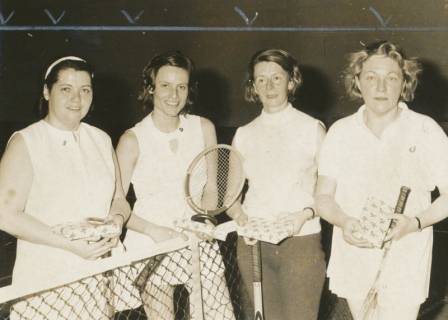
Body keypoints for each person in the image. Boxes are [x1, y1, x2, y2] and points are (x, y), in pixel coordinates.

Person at [316, 41, 448, 320]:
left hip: (407, 255)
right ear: (358, 82)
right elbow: (323, 197)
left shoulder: (425, 129)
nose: (381, 87)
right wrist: (344, 222)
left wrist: (415, 223)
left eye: (392, 78)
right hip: (354, 254)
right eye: (371, 77)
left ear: (404, 84)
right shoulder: (340, 132)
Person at [0, 56, 130, 319]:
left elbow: (119, 199)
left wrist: (116, 221)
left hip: (97, 274)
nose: (76, 99)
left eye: (85, 90)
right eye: (66, 89)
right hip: (47, 280)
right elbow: (5, 214)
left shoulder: (101, 139)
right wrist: (70, 245)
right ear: (47, 92)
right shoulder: (27, 142)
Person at [115, 51, 235, 320]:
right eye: (165, 85)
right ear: (150, 88)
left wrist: (204, 219)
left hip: (198, 239)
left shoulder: (204, 128)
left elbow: (213, 188)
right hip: (151, 243)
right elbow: (116, 205)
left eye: (181, 86)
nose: (173, 95)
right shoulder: (131, 139)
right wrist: (154, 231)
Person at [227, 49, 326, 320]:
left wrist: (303, 214)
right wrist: (241, 218)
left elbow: (329, 192)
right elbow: (231, 197)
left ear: (291, 81)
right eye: (261, 79)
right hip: (253, 245)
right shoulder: (244, 134)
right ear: (253, 86)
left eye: (276, 78)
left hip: (301, 241)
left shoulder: (312, 128)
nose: (268, 86)